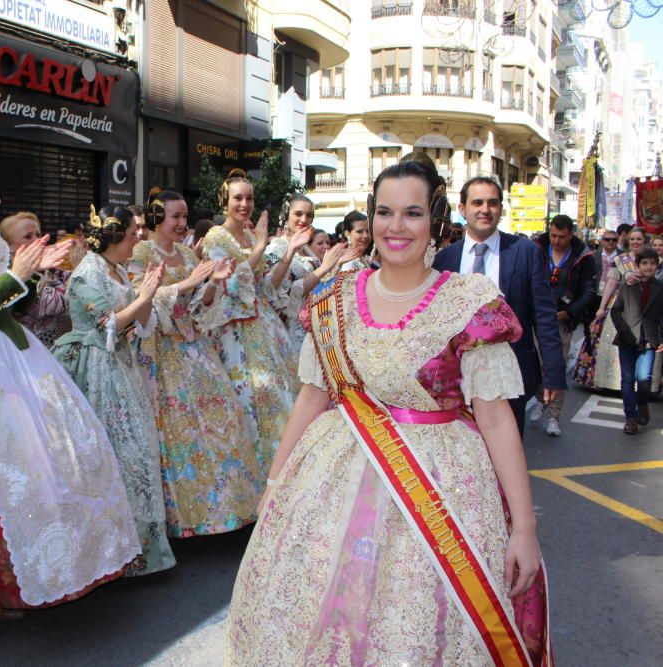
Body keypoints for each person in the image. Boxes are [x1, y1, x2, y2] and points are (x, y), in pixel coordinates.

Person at [227, 160, 551, 665]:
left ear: (435, 221)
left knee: (416, 628)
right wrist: (274, 487)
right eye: (385, 212)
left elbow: (495, 418)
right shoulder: (334, 299)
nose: (396, 226)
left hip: (443, 493)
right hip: (330, 484)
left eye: (412, 213)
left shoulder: (468, 302)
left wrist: (524, 530)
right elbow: (313, 397)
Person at [0, 160, 139, 611]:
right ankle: (6, 583)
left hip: (17, 354)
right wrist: (15, 276)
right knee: (3, 470)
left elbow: (18, 304)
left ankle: (74, 561)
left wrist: (34, 275)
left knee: (60, 455)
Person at [52, 205, 176, 575]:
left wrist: (147, 295)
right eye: (132, 232)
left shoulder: (116, 268)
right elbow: (108, 323)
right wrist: (144, 294)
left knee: (137, 452)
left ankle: (141, 551)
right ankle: (112, 554)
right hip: (95, 366)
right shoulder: (88, 272)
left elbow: (139, 322)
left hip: (121, 365)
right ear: (114, 235)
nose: (138, 237)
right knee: (113, 455)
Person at [129, 188, 260, 538]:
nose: (181, 223)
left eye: (184, 216)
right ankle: (185, 518)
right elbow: (143, 301)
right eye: (175, 216)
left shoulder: (188, 252)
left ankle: (227, 509)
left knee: (222, 422)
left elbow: (200, 305)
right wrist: (187, 283)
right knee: (177, 430)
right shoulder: (142, 252)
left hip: (194, 346)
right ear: (157, 218)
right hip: (163, 348)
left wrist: (212, 284)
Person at [434, 175, 566, 437]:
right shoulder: (444, 259)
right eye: (477, 202)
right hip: (457, 378)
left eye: (492, 203)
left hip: (512, 374)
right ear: (462, 209)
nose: (485, 209)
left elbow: (544, 316)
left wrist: (554, 375)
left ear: (501, 210)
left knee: (507, 455)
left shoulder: (525, 252)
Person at [197, 170, 298, 476]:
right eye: (238, 198)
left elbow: (264, 285)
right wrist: (259, 247)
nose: (244, 204)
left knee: (277, 397)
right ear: (225, 202)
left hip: (263, 324)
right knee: (247, 399)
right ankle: (252, 475)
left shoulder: (252, 235)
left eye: (249, 198)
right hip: (232, 329)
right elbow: (231, 284)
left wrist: (287, 252)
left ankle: (280, 471)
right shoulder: (216, 237)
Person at [265, 195, 361, 355]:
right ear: (286, 215)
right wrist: (324, 267)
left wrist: (336, 265)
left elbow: (319, 285)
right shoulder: (276, 248)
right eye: (298, 214)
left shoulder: (307, 250)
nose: (304, 219)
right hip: (287, 330)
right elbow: (271, 287)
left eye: (309, 215)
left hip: (313, 326)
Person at [531, 215, 597, 435]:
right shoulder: (537, 249)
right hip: (536, 317)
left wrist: (569, 311)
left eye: (561, 237)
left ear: (571, 235)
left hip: (562, 321)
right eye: (553, 236)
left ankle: (554, 417)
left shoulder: (583, 257)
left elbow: (588, 291)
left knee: (556, 366)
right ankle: (541, 398)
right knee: (535, 364)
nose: (556, 241)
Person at [0, 211, 78, 347]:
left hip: (60, 352)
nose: (38, 241)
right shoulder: (7, 275)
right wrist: (79, 266)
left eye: (38, 234)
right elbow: (65, 300)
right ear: (9, 246)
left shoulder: (50, 269)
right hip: (30, 353)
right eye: (28, 237)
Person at [611, 247, 663, 434]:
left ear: (657, 266)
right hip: (627, 339)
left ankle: (642, 403)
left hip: (649, 339)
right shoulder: (628, 284)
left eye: (652, 263)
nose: (648, 267)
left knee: (643, 379)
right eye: (644, 263)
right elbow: (615, 310)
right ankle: (630, 418)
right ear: (638, 265)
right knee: (627, 380)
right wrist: (623, 330)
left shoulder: (660, 287)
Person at [574, 228, 623, 391]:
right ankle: (589, 370)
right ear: (601, 241)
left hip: (615, 300)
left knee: (606, 337)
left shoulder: (623, 257)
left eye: (613, 240)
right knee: (591, 332)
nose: (610, 242)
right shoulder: (593, 256)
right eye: (607, 239)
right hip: (594, 296)